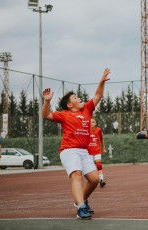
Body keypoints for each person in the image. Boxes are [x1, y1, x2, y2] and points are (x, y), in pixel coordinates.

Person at [42, 68, 111, 220]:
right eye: (75, 97)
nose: (79, 98)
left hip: (84, 151)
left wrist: (101, 81)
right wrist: (47, 101)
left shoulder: (86, 110)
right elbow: (46, 115)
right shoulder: (64, 115)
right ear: (69, 105)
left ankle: (80, 200)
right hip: (69, 150)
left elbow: (98, 95)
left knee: (94, 179)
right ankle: (81, 207)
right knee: (77, 175)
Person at [88, 118, 107, 188]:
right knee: (90, 167)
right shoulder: (86, 131)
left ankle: (101, 180)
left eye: (93, 122)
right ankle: (91, 180)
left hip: (97, 150)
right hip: (89, 152)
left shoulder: (98, 130)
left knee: (99, 165)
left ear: (95, 123)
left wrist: (104, 148)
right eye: (90, 122)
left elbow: (102, 139)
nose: (91, 123)